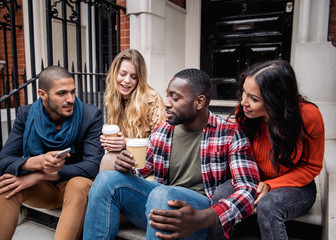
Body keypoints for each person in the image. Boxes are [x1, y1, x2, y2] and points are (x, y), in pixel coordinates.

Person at [83, 68, 260, 240]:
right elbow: (142, 172)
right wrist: (126, 167)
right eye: (167, 96)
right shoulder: (162, 132)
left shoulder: (230, 134)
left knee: (163, 195)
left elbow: (248, 189)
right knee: (107, 179)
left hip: (199, 217)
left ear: (199, 102)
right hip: (161, 211)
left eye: (175, 98)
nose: (166, 103)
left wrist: (205, 217)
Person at [0, 66, 104, 240]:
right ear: (42, 94)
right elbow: (2, 163)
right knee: (7, 187)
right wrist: (36, 162)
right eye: (61, 93)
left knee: (78, 184)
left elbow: (93, 166)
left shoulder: (90, 115)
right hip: (46, 192)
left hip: (76, 191)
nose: (70, 99)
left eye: (72, 91)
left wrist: (40, 175)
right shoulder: (26, 115)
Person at [233, 59, 325, 239]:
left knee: (269, 205)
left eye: (254, 98)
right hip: (254, 178)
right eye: (244, 92)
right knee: (221, 194)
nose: (243, 102)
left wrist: (271, 185)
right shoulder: (245, 113)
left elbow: (311, 167)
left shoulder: (308, 117)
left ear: (276, 99)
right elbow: (239, 155)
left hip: (296, 186)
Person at [99, 48, 165, 171]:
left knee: (108, 161)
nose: (127, 80)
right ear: (115, 73)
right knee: (107, 159)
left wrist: (125, 142)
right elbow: (116, 141)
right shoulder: (113, 98)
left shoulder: (152, 98)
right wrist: (110, 142)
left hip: (148, 162)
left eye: (134, 77)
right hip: (124, 158)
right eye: (123, 74)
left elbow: (161, 141)